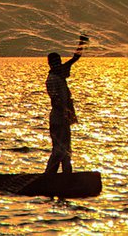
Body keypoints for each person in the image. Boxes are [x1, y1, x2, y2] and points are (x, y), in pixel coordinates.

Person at [45, 33, 88, 174]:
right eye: (55, 63)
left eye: (59, 62)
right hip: (58, 120)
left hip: (63, 119)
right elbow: (55, 101)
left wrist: (81, 43)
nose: (59, 65)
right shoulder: (52, 79)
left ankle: (66, 176)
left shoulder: (60, 73)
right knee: (59, 150)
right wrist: (65, 114)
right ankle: (49, 177)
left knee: (65, 150)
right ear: (51, 65)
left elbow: (75, 58)